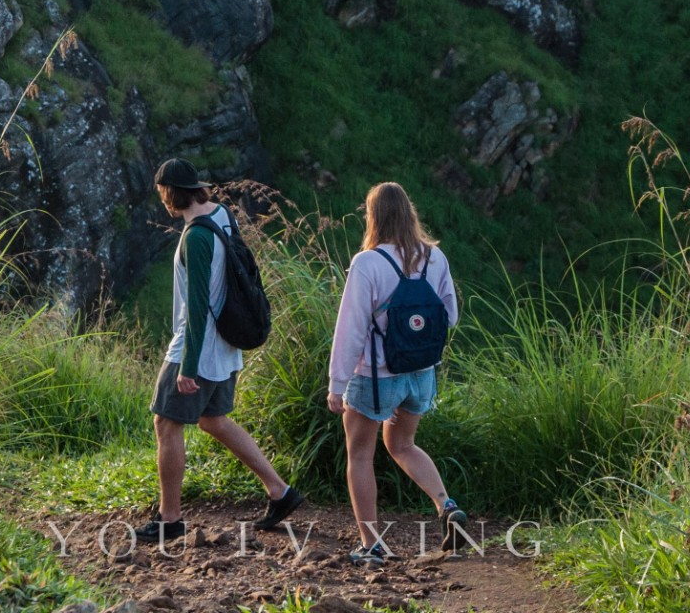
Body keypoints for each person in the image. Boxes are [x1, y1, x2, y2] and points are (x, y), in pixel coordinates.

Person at [136, 158, 305, 543]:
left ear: (169, 194)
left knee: (166, 423)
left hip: (198, 347)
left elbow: (196, 308)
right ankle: (280, 491)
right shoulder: (222, 215)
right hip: (227, 344)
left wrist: (188, 367)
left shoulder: (195, 237)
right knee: (213, 420)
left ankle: (170, 518)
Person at [325, 181, 467, 564]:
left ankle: (371, 544)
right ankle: (446, 504)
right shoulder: (435, 258)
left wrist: (337, 383)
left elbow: (351, 327)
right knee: (402, 445)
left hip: (375, 377)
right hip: (421, 372)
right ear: (409, 212)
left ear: (374, 217)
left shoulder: (367, 263)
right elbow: (450, 317)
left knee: (360, 455)